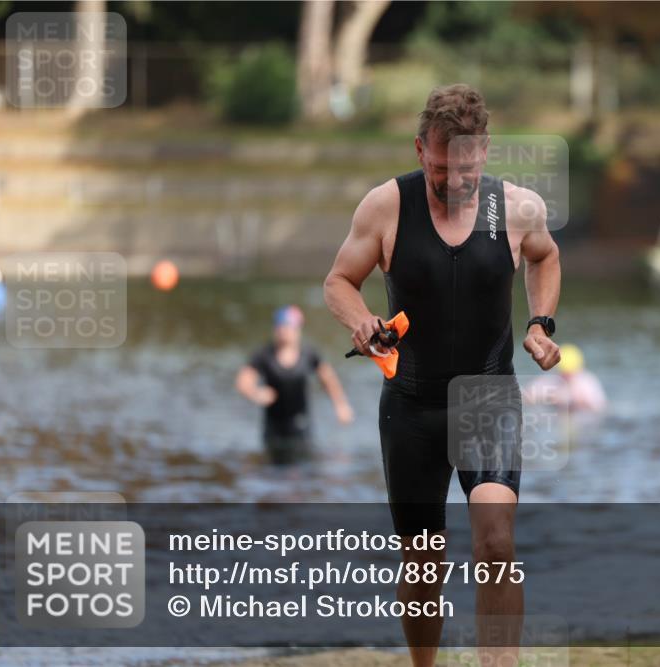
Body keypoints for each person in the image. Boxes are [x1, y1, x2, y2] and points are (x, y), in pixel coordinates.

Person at [323, 84, 561, 667]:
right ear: (419, 149)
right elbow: (339, 282)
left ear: (484, 152)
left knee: (495, 541)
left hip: (488, 397)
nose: (455, 181)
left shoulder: (517, 208)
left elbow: (545, 256)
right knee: (423, 564)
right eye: (440, 169)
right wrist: (362, 322)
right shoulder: (386, 206)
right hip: (411, 406)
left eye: (467, 170)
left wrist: (540, 322)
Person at [235, 305, 353, 465]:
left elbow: (328, 378)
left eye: (288, 327)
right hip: (273, 426)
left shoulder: (309, 354)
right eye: (280, 326)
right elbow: (243, 382)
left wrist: (341, 405)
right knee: (273, 468)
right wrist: (257, 394)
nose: (284, 331)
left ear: (297, 330)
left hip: (301, 424)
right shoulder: (264, 354)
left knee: (303, 465)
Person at [524, 343, 607, 413]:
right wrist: (549, 398)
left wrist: (577, 403)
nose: (566, 377)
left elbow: (600, 409)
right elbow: (526, 396)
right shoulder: (552, 379)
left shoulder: (587, 383)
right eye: (563, 373)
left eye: (570, 373)